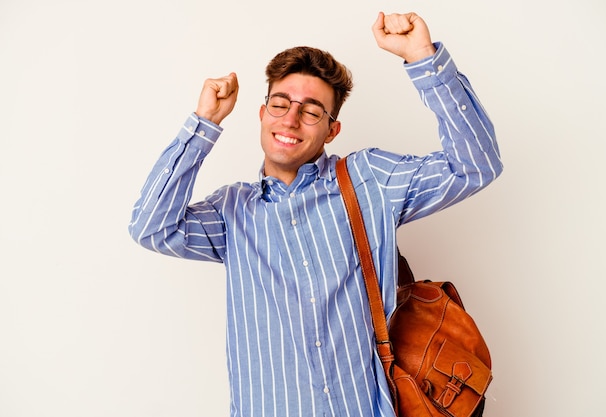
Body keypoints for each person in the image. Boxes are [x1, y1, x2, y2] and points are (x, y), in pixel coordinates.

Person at [129, 11, 502, 417]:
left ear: (331, 130)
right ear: (261, 113)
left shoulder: (369, 181)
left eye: (311, 110)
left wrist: (423, 58)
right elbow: (151, 227)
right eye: (280, 103)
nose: (290, 118)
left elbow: (475, 166)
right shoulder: (231, 211)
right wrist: (205, 124)